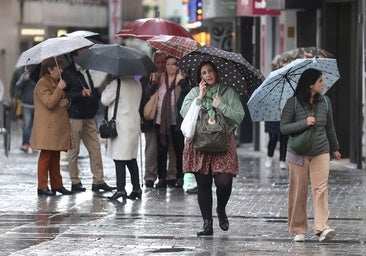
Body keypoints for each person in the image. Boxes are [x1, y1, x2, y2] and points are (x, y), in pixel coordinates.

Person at [180, 61, 244, 236]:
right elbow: (185, 113)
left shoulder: (227, 93)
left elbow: (239, 116)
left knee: (224, 182)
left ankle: (221, 209)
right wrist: (200, 97)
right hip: (200, 143)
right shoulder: (194, 92)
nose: (207, 75)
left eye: (210, 71)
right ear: (199, 77)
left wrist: (221, 106)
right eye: (203, 73)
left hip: (223, 143)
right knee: (203, 184)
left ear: (216, 73)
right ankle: (207, 223)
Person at [280, 68, 341, 243]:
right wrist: (304, 123)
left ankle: (322, 228)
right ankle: (299, 229)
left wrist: (334, 148)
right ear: (310, 84)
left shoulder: (325, 102)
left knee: (320, 189)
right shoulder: (292, 103)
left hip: (320, 150)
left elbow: (329, 127)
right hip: (298, 152)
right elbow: (284, 128)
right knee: (299, 190)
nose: (324, 84)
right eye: (320, 81)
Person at [62, 48, 115, 193]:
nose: (85, 56)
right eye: (82, 54)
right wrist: (81, 94)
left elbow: (92, 90)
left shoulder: (86, 71)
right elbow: (65, 94)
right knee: (74, 151)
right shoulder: (67, 73)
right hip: (75, 117)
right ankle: (75, 182)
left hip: (89, 116)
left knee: (95, 148)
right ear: (74, 57)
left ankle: (98, 180)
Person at [30, 57, 73, 196]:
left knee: (55, 156)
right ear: (50, 69)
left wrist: (67, 101)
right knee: (46, 155)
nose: (61, 70)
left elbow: (62, 100)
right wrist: (60, 89)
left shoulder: (56, 82)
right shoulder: (42, 84)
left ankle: (57, 185)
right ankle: (42, 186)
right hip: (48, 127)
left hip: (56, 126)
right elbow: (49, 102)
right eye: (58, 67)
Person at [101, 76, 142, 202]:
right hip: (133, 124)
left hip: (121, 126)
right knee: (131, 158)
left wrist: (108, 86)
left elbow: (104, 100)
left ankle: (120, 190)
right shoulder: (137, 84)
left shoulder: (116, 83)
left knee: (119, 158)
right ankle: (136, 188)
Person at [141, 51, 177, 188]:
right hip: (151, 120)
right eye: (158, 62)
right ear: (154, 63)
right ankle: (150, 176)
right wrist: (152, 84)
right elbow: (143, 98)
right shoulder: (147, 77)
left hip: (170, 120)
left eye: (164, 62)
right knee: (151, 149)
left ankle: (171, 175)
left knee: (171, 148)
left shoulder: (173, 77)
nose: (161, 65)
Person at [155, 56, 185, 188]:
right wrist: (152, 83)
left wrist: (181, 83)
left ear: (178, 66)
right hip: (160, 121)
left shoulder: (182, 80)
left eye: (174, 64)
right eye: (168, 64)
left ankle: (179, 177)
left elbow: (187, 95)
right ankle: (161, 177)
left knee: (179, 150)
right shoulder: (160, 79)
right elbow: (150, 94)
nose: (170, 67)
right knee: (161, 150)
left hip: (176, 121)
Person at [16, 65, 36, 154]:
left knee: (35, 126)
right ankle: (25, 144)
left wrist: (32, 80)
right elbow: (18, 85)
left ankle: (33, 144)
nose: (29, 67)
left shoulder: (37, 75)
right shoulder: (24, 75)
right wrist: (25, 79)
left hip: (36, 105)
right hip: (26, 105)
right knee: (27, 125)